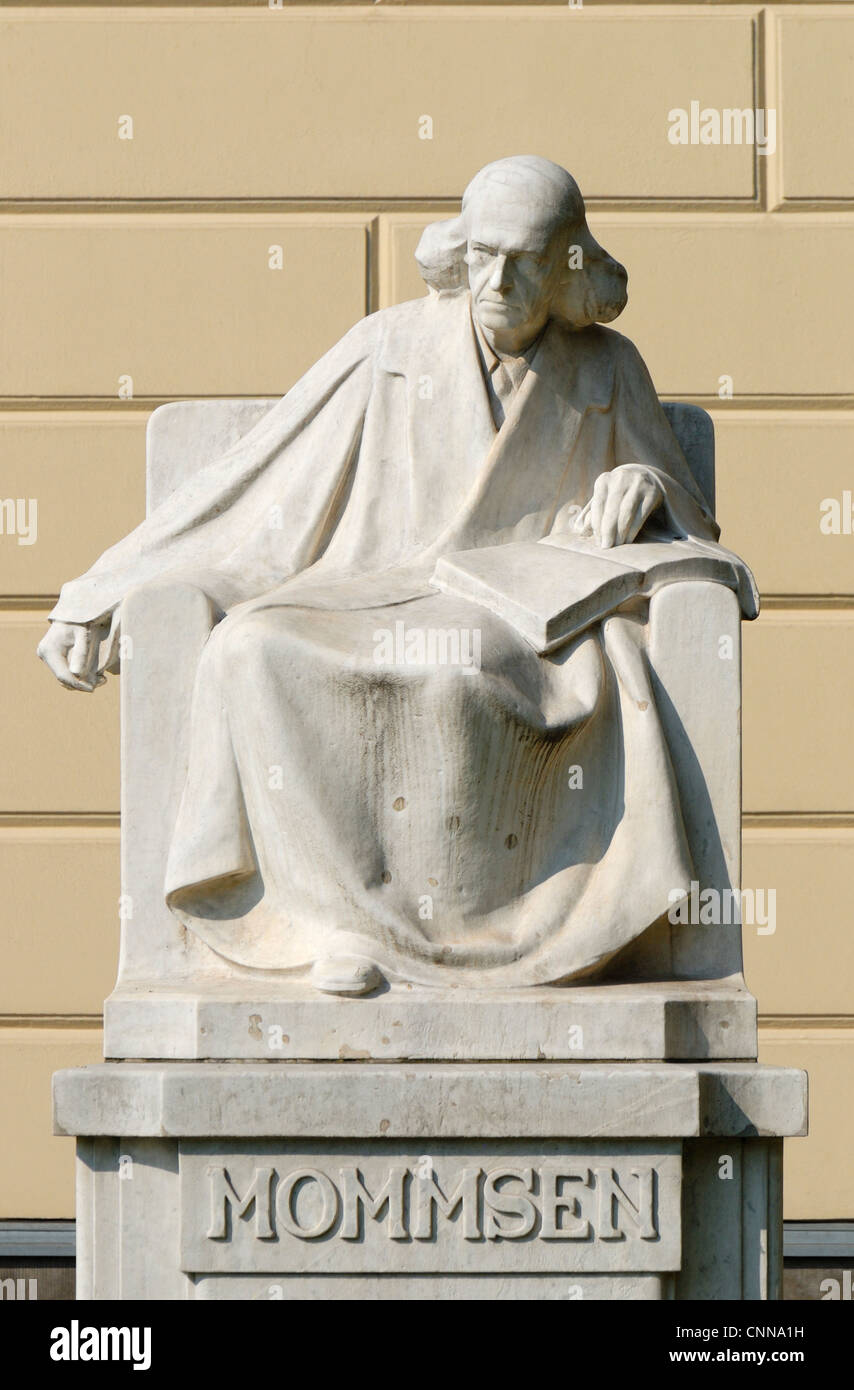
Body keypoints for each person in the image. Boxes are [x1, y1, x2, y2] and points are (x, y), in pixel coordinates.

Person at [37, 156, 752, 995]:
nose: (499, 279)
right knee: (250, 650)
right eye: (484, 253)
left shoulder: (607, 369)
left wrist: (647, 489)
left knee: (459, 671)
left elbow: (693, 524)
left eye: (525, 258)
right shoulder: (389, 348)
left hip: (530, 625)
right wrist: (97, 593)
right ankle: (321, 926)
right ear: (459, 251)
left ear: (566, 264)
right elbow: (256, 485)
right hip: (375, 590)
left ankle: (488, 935)